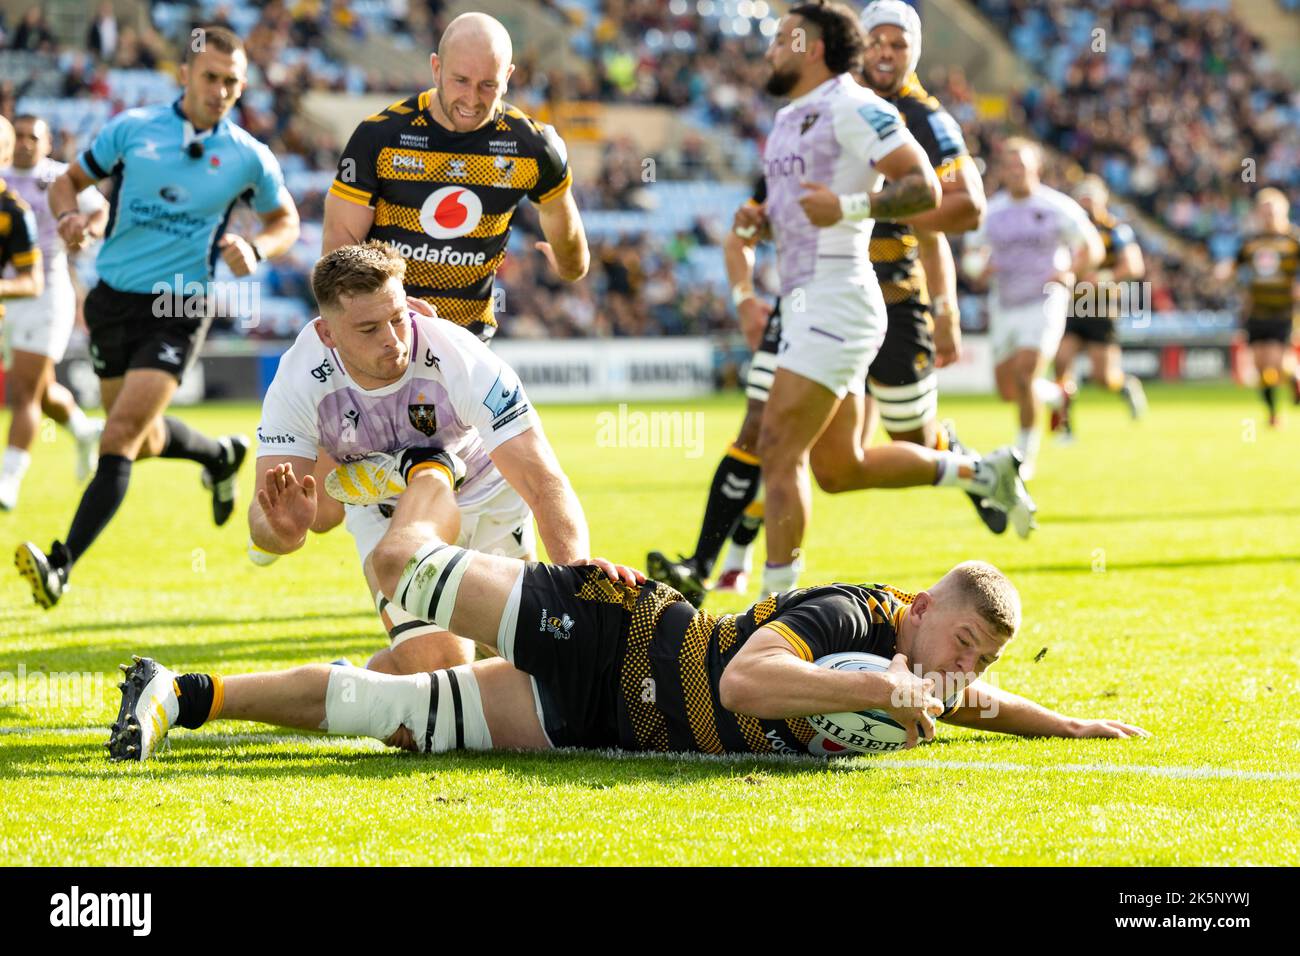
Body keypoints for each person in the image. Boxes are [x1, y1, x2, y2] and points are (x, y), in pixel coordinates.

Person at [107, 450, 1149, 763]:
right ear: (920, 606)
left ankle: (182, 693)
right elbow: (746, 679)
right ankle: (425, 472)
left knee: (397, 710)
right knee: (402, 572)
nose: (958, 672)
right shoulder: (853, 619)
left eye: (973, 659)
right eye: (957, 642)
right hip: (613, 626)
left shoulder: (930, 675)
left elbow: (984, 704)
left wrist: (1064, 721)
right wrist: (885, 674)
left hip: (598, 716)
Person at [647, 2, 1032, 605]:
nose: (771, 49)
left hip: (842, 300)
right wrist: (763, 222)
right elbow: (800, 217)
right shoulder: (786, 121)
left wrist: (854, 209)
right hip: (804, 301)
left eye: (782, 39)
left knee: (776, 445)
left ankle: (772, 613)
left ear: (814, 47)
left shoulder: (859, 107)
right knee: (837, 470)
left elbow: (927, 189)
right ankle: (981, 471)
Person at [15, 25, 301, 609]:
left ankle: (60, 565)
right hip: (111, 300)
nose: (221, 90)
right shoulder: (133, 129)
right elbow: (69, 182)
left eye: (233, 82)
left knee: (117, 438)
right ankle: (219, 456)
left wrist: (257, 249)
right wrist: (69, 217)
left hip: (178, 306)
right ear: (185, 75)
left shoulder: (249, 156)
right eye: (211, 78)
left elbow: (284, 221)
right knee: (139, 441)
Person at [249, 242, 593, 673]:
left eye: (397, 318)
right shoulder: (298, 381)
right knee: (437, 670)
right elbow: (265, 521)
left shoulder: (461, 357)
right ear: (327, 334)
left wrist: (576, 578)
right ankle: (358, 684)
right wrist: (281, 533)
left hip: (486, 496)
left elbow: (544, 482)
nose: (393, 340)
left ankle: (350, 682)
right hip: (391, 515)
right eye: (369, 329)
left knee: (533, 661)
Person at [322, 11, 589, 343]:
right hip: (383, 337)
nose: (472, 99)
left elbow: (572, 255)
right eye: (460, 80)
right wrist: (388, 305)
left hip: (467, 345)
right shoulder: (381, 135)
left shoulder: (534, 146)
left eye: (488, 85)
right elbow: (338, 244)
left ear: (508, 77)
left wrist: (566, 261)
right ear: (436, 68)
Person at [961, 138, 1104, 479]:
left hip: (1044, 300)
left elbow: (1093, 247)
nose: (1015, 172)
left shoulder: (1057, 207)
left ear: (1035, 168)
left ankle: (1023, 457)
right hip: (1004, 303)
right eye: (1009, 166)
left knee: (1025, 375)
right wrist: (977, 269)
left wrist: (1070, 271)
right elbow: (970, 254)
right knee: (1007, 389)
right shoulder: (991, 211)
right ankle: (1057, 394)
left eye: (1021, 166)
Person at [0, 113, 109, 511]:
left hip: (46, 292)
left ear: (48, 143)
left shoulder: (59, 177)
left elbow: (101, 210)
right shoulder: (3, 176)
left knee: (23, 391)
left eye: (35, 136)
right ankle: (83, 430)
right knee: (43, 393)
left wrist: (86, 230)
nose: (27, 142)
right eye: (22, 135)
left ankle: (8, 480)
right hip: (6, 298)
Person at [1051, 175, 1147, 438]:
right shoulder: (1069, 228)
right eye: (1082, 198)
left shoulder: (1115, 229)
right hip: (1071, 307)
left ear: (1103, 199)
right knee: (1061, 361)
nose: (1086, 204)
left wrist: (1103, 278)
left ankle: (1125, 386)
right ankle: (1065, 424)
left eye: (1091, 197)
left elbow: (1134, 266)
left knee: (1103, 378)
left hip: (1102, 309)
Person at [1217, 188, 1299, 427]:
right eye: (1264, 212)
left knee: (1275, 362)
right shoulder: (1251, 242)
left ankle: (1294, 375)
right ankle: (1273, 414)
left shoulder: (1294, 240)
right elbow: (1235, 263)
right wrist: (1224, 271)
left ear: (1284, 212)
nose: (1269, 217)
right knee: (1261, 368)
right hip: (1256, 310)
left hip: (1282, 310)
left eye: (1273, 212)